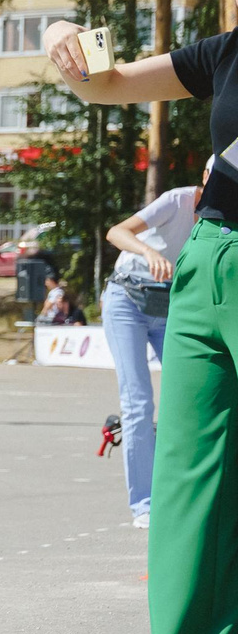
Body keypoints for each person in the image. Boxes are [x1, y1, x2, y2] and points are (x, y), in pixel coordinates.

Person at [47, 0, 238, 634]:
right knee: (190, 474)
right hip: (210, 257)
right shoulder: (224, 53)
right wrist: (64, 31)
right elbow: (105, 82)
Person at [99, 183, 199, 527]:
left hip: (170, 305)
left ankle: (181, 494)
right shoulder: (178, 200)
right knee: (138, 402)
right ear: (206, 180)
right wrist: (148, 252)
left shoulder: (226, 217)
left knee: (191, 398)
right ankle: (144, 504)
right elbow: (117, 232)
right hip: (127, 299)